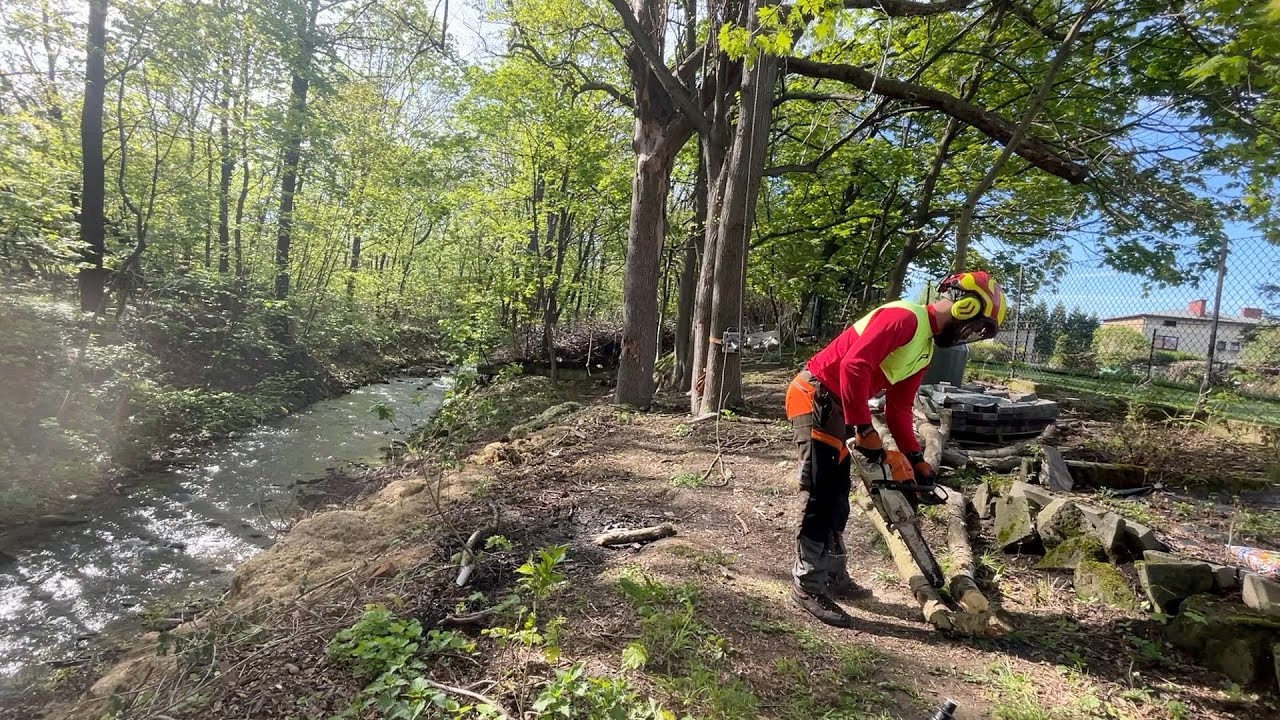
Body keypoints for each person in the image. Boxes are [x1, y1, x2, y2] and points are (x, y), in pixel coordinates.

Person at [784, 270, 1008, 627]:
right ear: (965, 307)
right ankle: (808, 584)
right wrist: (862, 428)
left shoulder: (924, 349)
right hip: (818, 395)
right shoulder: (904, 317)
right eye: (976, 326)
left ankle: (832, 573)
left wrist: (916, 458)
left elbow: (899, 408)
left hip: (840, 404)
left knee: (839, 493)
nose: (971, 335)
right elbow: (854, 366)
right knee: (823, 491)